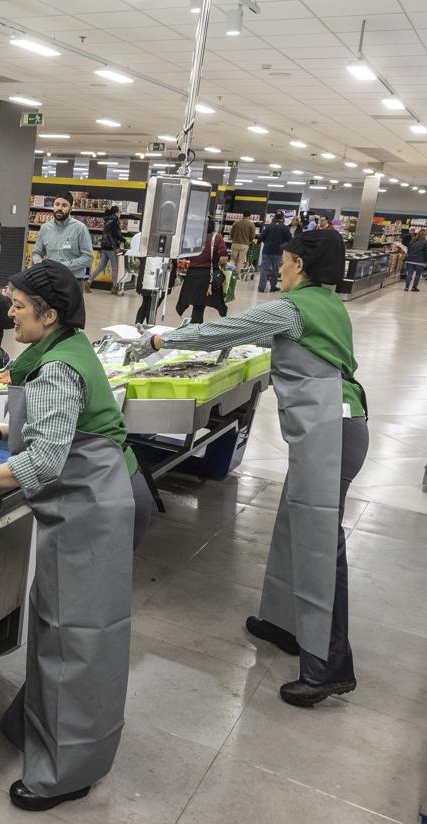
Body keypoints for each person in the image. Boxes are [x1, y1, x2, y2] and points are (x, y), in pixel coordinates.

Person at [0, 259, 151, 812]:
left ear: (48, 315)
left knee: (78, 637)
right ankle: (43, 726)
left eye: (19, 306)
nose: (9, 313)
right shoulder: (66, 348)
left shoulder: (55, 368)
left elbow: (46, 460)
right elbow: (59, 421)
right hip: (97, 499)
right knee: (60, 627)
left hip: (96, 508)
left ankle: (66, 772)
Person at [127, 228, 368, 708]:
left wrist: (160, 339)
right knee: (293, 526)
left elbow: (225, 329)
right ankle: (284, 623)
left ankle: (330, 667)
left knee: (320, 546)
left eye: (284, 259)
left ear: (299, 264)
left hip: (329, 431)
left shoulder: (292, 308)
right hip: (334, 427)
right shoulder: (328, 302)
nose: (277, 266)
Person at [31, 192, 94, 286]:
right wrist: (41, 264)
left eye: (64, 205)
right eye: (57, 204)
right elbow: (37, 253)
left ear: (71, 209)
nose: (59, 208)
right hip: (50, 279)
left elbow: (88, 257)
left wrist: (63, 267)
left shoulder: (80, 228)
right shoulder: (45, 228)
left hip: (73, 280)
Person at [176, 219, 229, 324]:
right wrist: (215, 264)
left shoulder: (193, 238)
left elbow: (184, 254)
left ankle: (194, 327)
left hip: (192, 274)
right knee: (200, 305)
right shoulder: (216, 238)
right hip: (207, 276)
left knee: (197, 304)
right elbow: (223, 258)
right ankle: (195, 330)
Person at [127, 231, 167, 324]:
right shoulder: (162, 246)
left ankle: (138, 325)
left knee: (146, 304)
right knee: (151, 306)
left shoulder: (147, 244)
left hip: (147, 279)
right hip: (154, 280)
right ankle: (147, 327)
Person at [258, 212, 292, 293]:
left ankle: (261, 287)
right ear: (282, 218)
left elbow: (262, 237)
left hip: (266, 250)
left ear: (275, 217)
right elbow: (290, 240)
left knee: (264, 269)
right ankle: (273, 287)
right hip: (278, 251)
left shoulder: (268, 226)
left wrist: (267, 242)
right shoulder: (285, 228)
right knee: (275, 270)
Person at [95, 205, 123, 294]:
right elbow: (116, 235)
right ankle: (114, 288)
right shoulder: (114, 221)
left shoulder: (107, 220)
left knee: (101, 267)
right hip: (111, 247)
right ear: (116, 213)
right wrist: (125, 240)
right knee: (115, 268)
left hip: (104, 246)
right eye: (119, 212)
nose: (120, 214)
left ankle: (88, 283)